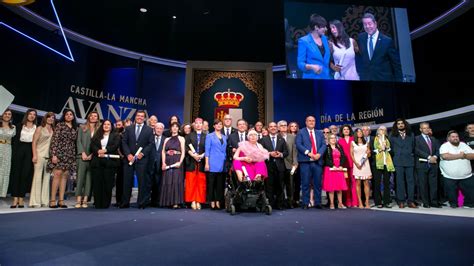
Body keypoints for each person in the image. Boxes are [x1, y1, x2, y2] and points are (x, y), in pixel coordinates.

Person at [121, 110, 154, 209]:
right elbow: (124, 142)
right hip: (129, 159)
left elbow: (151, 144)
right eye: (138, 116)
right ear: (135, 117)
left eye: (142, 116)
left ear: (144, 118)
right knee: (127, 181)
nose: (139, 117)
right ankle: (125, 203)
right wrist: (128, 154)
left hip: (142, 160)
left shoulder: (149, 130)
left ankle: (141, 203)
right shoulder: (128, 128)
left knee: (142, 181)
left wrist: (143, 153)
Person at [355, 13, 402, 82]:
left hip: (383, 80)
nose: (367, 26)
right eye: (365, 24)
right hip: (366, 78)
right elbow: (361, 58)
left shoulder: (387, 41)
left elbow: (396, 65)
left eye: (369, 23)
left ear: (375, 24)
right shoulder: (361, 38)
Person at [47, 109, 78, 208]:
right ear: (64, 116)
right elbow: (55, 140)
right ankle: (52, 200)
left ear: (73, 116)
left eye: (71, 114)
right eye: (67, 114)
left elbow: (75, 142)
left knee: (65, 176)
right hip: (59, 153)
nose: (69, 116)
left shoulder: (75, 128)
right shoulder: (60, 125)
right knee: (57, 175)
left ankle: (61, 200)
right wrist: (54, 155)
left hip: (70, 154)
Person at [295, 116, 326, 209]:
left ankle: (318, 202)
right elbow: (299, 144)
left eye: (313, 121)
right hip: (305, 161)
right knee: (305, 183)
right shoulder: (301, 132)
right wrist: (309, 153)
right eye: (309, 121)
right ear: (306, 122)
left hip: (317, 161)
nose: (311, 122)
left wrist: (319, 154)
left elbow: (324, 144)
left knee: (317, 183)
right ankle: (305, 202)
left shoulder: (319, 133)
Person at [90, 120, 121, 209]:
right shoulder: (97, 135)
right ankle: (98, 203)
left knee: (108, 183)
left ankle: (105, 203)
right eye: (105, 124)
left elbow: (115, 145)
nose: (106, 126)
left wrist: (105, 150)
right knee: (97, 183)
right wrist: (98, 151)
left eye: (108, 124)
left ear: (111, 126)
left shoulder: (116, 135)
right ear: (102, 126)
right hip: (97, 162)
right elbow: (92, 145)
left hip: (109, 162)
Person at [10, 109, 37, 208]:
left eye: (34, 115)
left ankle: (21, 198)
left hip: (30, 150)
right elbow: (14, 140)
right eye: (30, 114)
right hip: (19, 149)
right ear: (27, 115)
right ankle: (15, 198)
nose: (32, 116)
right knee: (16, 174)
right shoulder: (18, 126)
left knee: (25, 175)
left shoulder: (36, 128)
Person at [439, 130, 474, 208]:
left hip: (466, 176)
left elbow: (473, 155)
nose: (455, 138)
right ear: (449, 138)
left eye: (457, 136)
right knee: (452, 199)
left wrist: (464, 156)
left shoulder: (463, 144)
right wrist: (461, 155)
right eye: (453, 137)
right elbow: (445, 156)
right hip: (449, 176)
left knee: (471, 194)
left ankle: (468, 204)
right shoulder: (445, 146)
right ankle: (453, 204)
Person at [259, 122, 288, 209]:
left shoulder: (281, 139)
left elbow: (286, 152)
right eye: (271, 126)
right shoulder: (263, 140)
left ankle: (279, 204)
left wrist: (281, 154)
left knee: (280, 185)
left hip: (279, 166)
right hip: (268, 166)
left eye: (274, 126)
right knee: (269, 186)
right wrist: (269, 153)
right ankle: (270, 205)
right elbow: (260, 153)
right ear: (268, 128)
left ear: (277, 128)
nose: (273, 128)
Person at [29, 112, 54, 208]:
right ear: (45, 118)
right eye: (49, 117)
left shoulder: (53, 130)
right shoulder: (40, 128)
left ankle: (44, 201)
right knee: (37, 177)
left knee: (47, 178)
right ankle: (35, 202)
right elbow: (34, 142)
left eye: (52, 117)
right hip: (39, 155)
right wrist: (34, 155)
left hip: (49, 156)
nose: (51, 119)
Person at [390, 118, 417, 208]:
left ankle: (411, 201)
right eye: (398, 124)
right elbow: (391, 149)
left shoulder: (411, 135)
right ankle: (401, 201)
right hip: (398, 161)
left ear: (405, 124)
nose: (400, 125)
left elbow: (413, 147)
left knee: (411, 182)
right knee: (399, 182)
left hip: (409, 160)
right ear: (396, 125)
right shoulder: (392, 135)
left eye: (402, 123)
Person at [75, 111, 100, 208]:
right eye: (92, 116)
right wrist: (82, 153)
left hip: (93, 157)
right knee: (80, 177)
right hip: (82, 156)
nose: (93, 117)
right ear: (89, 117)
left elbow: (99, 144)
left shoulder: (99, 130)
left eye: (95, 116)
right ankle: (78, 199)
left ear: (97, 119)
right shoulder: (82, 127)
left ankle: (85, 200)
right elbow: (78, 141)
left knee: (89, 179)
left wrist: (93, 154)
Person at [297, 14, 332, 79]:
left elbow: (326, 59)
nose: (326, 29)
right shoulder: (304, 41)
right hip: (312, 77)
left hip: (326, 77)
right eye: (323, 27)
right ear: (316, 27)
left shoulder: (325, 39)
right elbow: (300, 63)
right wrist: (311, 66)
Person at [159, 122, 186, 209]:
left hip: (177, 160)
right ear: (170, 129)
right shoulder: (166, 139)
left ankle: (176, 202)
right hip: (167, 160)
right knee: (167, 180)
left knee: (176, 180)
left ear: (178, 129)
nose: (174, 128)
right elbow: (163, 151)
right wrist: (163, 162)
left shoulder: (181, 138)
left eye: (176, 127)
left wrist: (180, 162)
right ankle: (167, 201)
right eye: (173, 127)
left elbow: (183, 152)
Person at [415, 122, 441, 208]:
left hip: (433, 164)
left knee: (434, 184)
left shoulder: (433, 139)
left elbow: (438, 150)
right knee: (423, 185)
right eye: (424, 128)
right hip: (422, 164)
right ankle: (426, 203)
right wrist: (429, 157)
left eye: (427, 128)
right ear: (420, 129)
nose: (426, 129)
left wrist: (435, 156)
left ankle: (434, 202)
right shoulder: (416, 139)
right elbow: (417, 150)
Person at [184, 118, 207, 210]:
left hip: (202, 161)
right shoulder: (189, 136)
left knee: (201, 182)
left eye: (200, 123)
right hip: (191, 161)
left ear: (202, 125)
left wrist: (202, 155)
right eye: (196, 123)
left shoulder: (206, 136)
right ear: (194, 125)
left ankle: (199, 201)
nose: (198, 125)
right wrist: (193, 155)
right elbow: (186, 147)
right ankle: (192, 200)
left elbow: (208, 148)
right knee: (191, 181)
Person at [205, 119, 227, 210]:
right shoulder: (209, 136)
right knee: (211, 184)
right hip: (212, 162)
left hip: (222, 163)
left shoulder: (224, 137)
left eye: (220, 124)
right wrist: (207, 163)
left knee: (220, 184)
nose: (219, 125)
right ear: (214, 126)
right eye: (217, 124)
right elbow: (207, 150)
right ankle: (212, 201)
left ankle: (218, 201)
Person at [322, 133, 348, 209]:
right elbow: (325, 159)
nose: (333, 139)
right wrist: (332, 165)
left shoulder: (339, 147)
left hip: (339, 168)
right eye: (331, 138)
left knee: (339, 187)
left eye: (334, 138)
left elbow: (343, 157)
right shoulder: (326, 148)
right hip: (330, 169)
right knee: (331, 188)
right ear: (328, 140)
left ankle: (340, 203)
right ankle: (332, 203)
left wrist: (341, 165)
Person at [373, 126, 395, 208]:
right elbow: (372, 151)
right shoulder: (374, 139)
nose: (383, 131)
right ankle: (378, 202)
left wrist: (387, 148)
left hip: (387, 164)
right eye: (381, 129)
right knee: (377, 183)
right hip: (377, 164)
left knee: (387, 183)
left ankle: (386, 201)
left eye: (384, 130)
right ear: (378, 131)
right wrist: (380, 149)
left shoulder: (387, 140)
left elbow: (392, 151)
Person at [278, 120, 298, 208]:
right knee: (280, 185)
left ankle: (290, 202)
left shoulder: (292, 137)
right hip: (279, 165)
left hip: (290, 164)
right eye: (281, 125)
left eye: (285, 125)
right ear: (278, 127)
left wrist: (295, 162)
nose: (283, 127)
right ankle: (281, 202)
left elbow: (295, 151)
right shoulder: (276, 136)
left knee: (290, 185)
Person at [350, 128, 372, 208]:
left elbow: (368, 155)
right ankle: (360, 202)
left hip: (365, 164)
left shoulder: (367, 142)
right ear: (355, 133)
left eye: (361, 132)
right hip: (357, 165)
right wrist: (356, 163)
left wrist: (368, 153)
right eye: (358, 132)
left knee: (366, 183)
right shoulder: (352, 143)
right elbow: (351, 154)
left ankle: (367, 202)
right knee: (358, 183)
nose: (360, 133)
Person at [338, 124, 357, 208]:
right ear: (342, 131)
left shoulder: (354, 139)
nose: (346, 131)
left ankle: (355, 201)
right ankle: (347, 201)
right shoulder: (340, 141)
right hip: (344, 165)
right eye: (344, 129)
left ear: (350, 130)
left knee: (354, 183)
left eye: (347, 129)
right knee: (346, 183)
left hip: (354, 164)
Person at [0, 109, 16, 198]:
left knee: (4, 171)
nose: (7, 115)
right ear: (2, 115)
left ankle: (1, 193)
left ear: (11, 116)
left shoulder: (13, 127)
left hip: (7, 149)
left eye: (9, 114)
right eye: (5, 113)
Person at [149, 122, 165, 207]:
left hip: (160, 164)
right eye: (157, 128)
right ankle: (149, 201)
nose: (158, 130)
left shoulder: (165, 139)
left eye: (160, 128)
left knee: (158, 183)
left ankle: (157, 201)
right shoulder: (150, 138)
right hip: (150, 164)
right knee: (149, 183)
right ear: (154, 129)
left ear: (163, 130)